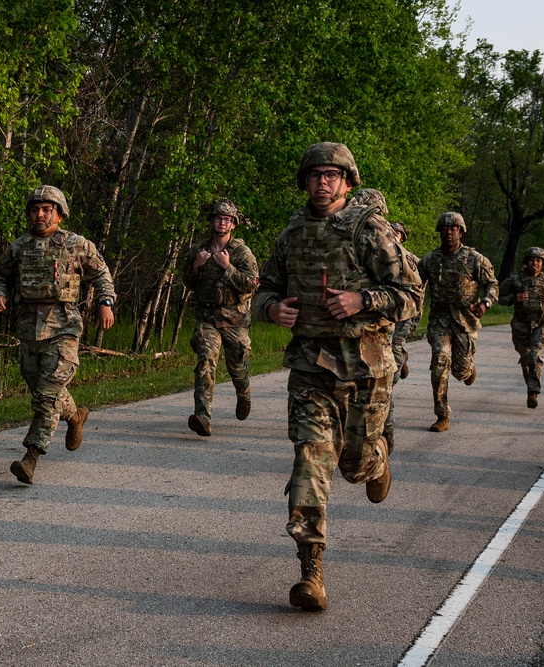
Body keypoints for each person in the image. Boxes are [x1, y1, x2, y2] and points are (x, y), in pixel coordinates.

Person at [253, 142, 422, 612]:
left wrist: (362, 301)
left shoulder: (369, 230)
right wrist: (272, 307)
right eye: (315, 175)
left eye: (332, 175)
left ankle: (378, 459)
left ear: (348, 181)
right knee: (309, 462)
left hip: (366, 368)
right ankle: (311, 573)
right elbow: (265, 286)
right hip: (310, 367)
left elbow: (410, 294)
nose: (322, 182)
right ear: (305, 181)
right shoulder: (291, 234)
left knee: (355, 465)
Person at [0, 186, 116, 485]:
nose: (40, 214)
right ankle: (75, 417)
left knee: (46, 396)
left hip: (64, 327)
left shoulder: (77, 245)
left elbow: (101, 274)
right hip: (28, 329)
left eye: (47, 209)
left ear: (60, 214)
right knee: (44, 389)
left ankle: (30, 457)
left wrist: (105, 302)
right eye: (35, 209)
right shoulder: (19, 246)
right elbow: (2, 275)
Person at [182, 198, 259, 437]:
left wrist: (228, 268)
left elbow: (251, 285)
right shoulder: (198, 250)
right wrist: (196, 266)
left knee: (237, 368)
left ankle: (243, 393)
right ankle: (203, 416)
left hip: (235, 322)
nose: (222, 222)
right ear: (211, 222)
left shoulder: (241, 253)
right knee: (206, 359)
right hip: (208, 320)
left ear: (233, 224)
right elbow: (187, 282)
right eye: (218, 218)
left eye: (227, 219)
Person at [418, 212, 498, 432]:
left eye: (453, 228)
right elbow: (415, 285)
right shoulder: (430, 260)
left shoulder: (475, 259)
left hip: (465, 320)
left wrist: (485, 303)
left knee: (459, 371)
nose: (449, 231)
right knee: (439, 361)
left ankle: (468, 369)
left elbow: (492, 284)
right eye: (444, 228)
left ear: (461, 232)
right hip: (439, 320)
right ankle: (442, 414)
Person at [498, 247, 544, 408]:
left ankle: (533, 392)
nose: (535, 263)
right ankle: (530, 384)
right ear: (526, 262)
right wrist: (513, 298)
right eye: (532, 259)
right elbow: (498, 295)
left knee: (535, 355)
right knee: (526, 360)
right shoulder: (515, 280)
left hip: (542, 323)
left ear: (543, 263)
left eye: (539, 260)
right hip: (521, 325)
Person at [383, 221, 424, 453]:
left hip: (402, 319)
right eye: (392, 231)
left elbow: (417, 296)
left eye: (398, 233)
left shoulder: (412, 261)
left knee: (394, 358)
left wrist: (413, 323)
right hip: (381, 321)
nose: (395, 235)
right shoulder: (376, 254)